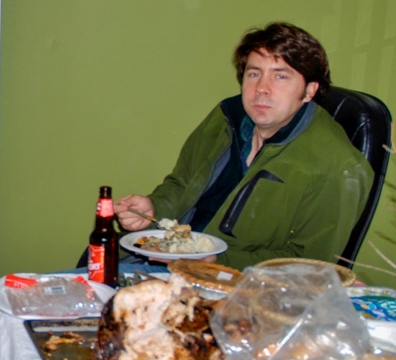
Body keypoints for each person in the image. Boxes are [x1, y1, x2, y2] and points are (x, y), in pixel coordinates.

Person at [115, 22, 372, 270]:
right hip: (159, 260)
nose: (261, 88)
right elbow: (181, 183)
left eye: (280, 76)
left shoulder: (338, 167)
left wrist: (217, 263)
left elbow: (309, 265)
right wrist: (155, 208)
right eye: (254, 73)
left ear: (309, 91)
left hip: (238, 288)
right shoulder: (226, 117)